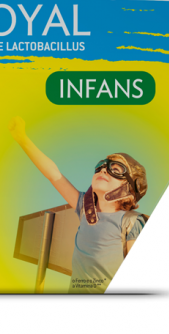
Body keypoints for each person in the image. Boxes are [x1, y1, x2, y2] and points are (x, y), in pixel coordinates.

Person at [8, 116, 149, 294]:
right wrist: (22, 139)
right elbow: (54, 175)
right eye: (101, 166)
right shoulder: (85, 209)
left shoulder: (132, 222)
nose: (103, 170)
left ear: (130, 187)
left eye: (115, 169)